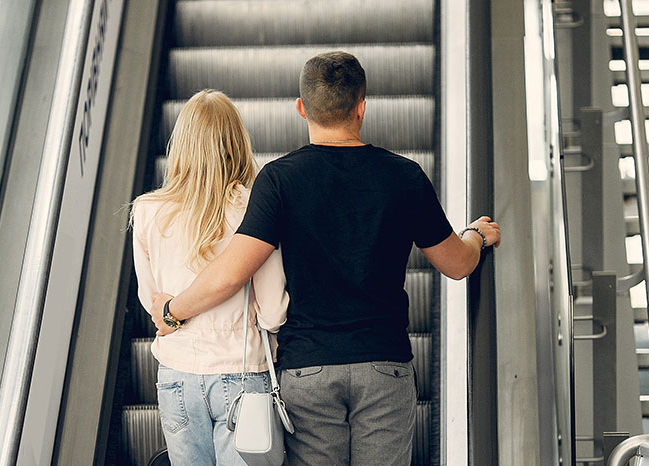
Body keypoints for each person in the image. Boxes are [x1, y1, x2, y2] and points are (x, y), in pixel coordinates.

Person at [151, 52, 501, 465]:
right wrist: (476, 236)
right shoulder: (405, 177)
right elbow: (457, 264)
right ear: (362, 106)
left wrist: (173, 311)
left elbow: (231, 272)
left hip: (308, 370)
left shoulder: (279, 180)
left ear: (301, 108)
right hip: (384, 365)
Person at [131, 89, 288, 466]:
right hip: (241, 373)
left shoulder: (149, 211)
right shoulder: (255, 207)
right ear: (236, 143)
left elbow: (152, 299)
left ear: (182, 144)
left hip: (175, 374)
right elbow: (272, 313)